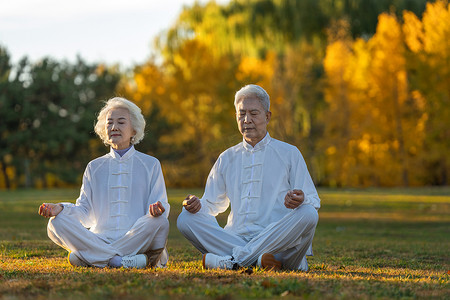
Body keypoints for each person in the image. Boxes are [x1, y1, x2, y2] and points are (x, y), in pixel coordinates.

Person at [177, 84, 320, 271]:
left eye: (254, 113)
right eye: (241, 114)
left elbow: (312, 200)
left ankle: (235, 261)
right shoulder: (226, 157)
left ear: (267, 116)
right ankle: (260, 261)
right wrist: (196, 204)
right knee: (185, 219)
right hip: (234, 239)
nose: (247, 120)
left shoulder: (289, 153)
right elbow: (212, 205)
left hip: (277, 243)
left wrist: (301, 200)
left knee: (309, 213)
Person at [38, 97, 170, 269]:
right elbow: (85, 213)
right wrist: (61, 208)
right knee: (56, 223)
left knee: (160, 222)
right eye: (109, 123)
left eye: (121, 122)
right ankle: (121, 261)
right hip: (100, 238)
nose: (114, 127)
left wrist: (158, 210)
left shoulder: (151, 164)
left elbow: (160, 206)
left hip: (136, 238)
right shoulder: (94, 167)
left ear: (134, 130)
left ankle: (91, 257)